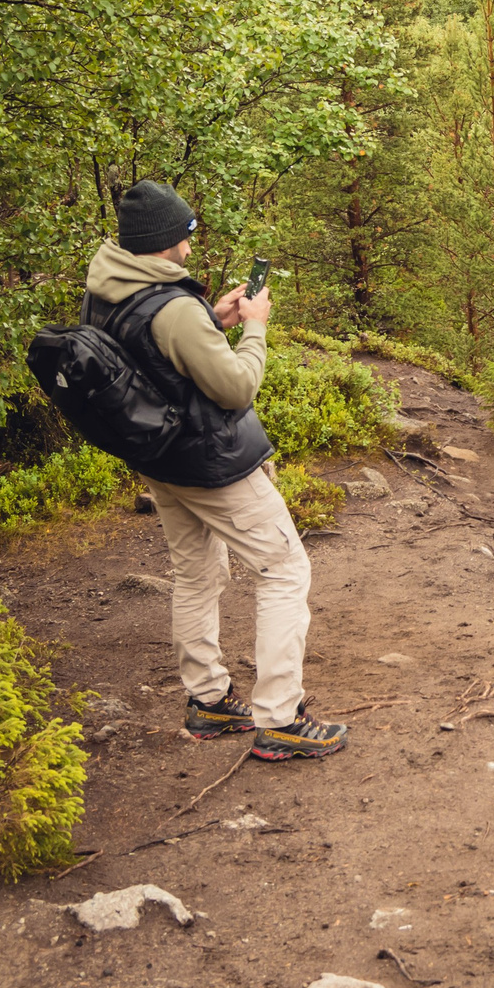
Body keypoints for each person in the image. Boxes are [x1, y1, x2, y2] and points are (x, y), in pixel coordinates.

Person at [83, 181, 348, 760]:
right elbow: (236, 388)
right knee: (284, 569)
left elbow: (152, 359)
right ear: (165, 239)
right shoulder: (174, 308)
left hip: (160, 460)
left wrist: (210, 320)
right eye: (186, 234)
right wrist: (255, 326)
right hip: (212, 462)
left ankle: (208, 700)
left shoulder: (108, 289)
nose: (189, 245)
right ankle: (280, 719)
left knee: (197, 574)